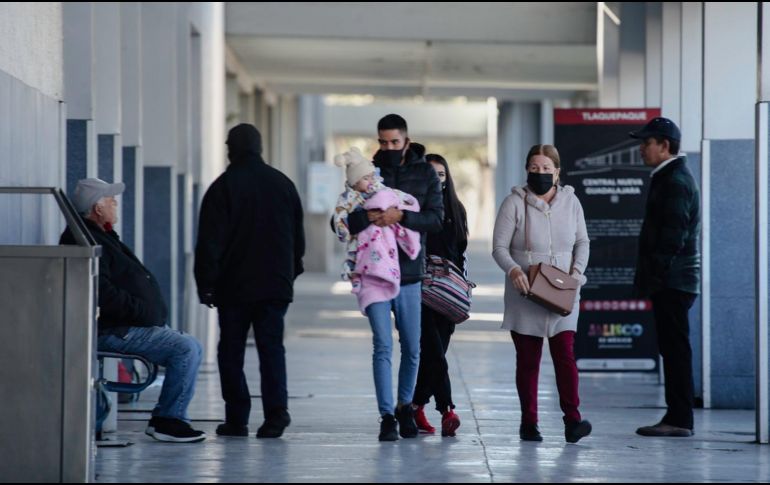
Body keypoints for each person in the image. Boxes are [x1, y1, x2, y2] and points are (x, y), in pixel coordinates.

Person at [61, 178, 205, 443]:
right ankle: (169, 420)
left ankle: (167, 418)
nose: (116, 204)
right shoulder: (84, 239)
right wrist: (141, 310)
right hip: (113, 329)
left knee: (191, 346)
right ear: (97, 208)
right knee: (184, 348)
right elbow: (101, 291)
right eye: (110, 201)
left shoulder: (99, 235)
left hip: (126, 324)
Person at [336, 114, 444, 441]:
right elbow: (344, 221)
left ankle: (404, 407)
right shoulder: (368, 175)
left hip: (410, 275)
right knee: (382, 344)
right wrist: (368, 217)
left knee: (412, 347)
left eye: (394, 142)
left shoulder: (425, 173)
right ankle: (386, 415)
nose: (388, 147)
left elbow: (436, 219)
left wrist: (402, 216)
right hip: (374, 275)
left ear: (406, 142)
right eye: (383, 142)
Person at [194, 123, 305, 439]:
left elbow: (209, 242)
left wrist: (207, 284)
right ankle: (276, 414)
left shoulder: (223, 187)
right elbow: (298, 240)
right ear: (259, 147)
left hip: (234, 288)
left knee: (230, 352)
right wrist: (289, 274)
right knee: (272, 349)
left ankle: (237, 418)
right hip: (274, 285)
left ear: (231, 148)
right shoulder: (283, 185)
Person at [492, 144, 592, 443]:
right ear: (527, 170)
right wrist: (514, 270)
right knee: (528, 359)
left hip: (563, 290)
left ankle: (573, 420)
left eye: (547, 168)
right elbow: (498, 247)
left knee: (565, 355)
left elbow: (583, 241)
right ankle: (529, 423)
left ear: (557, 172)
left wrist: (576, 274)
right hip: (525, 291)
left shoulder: (572, 203)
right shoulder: (513, 202)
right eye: (534, 168)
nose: (540, 173)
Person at [630, 117, 701, 438]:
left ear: (665, 146)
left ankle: (680, 418)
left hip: (674, 281)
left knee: (675, 349)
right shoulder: (668, 177)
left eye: (647, 143)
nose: (642, 149)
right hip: (670, 280)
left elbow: (674, 235)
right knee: (672, 348)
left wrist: (655, 275)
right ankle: (678, 415)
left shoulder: (676, 181)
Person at [412, 154, 468, 438]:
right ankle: (448, 410)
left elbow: (459, 252)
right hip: (418, 289)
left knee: (434, 354)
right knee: (433, 351)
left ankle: (415, 406)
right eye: (431, 174)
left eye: (442, 175)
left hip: (447, 292)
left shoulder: (456, 210)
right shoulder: (414, 207)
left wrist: (461, 288)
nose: (438, 180)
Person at [332, 147, 422, 314]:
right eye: (365, 178)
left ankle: (388, 266)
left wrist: (405, 203)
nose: (371, 181)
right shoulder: (346, 199)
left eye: (372, 176)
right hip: (358, 240)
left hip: (381, 238)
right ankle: (356, 276)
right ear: (355, 182)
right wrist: (344, 230)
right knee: (354, 255)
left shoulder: (379, 189)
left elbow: (397, 196)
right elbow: (338, 218)